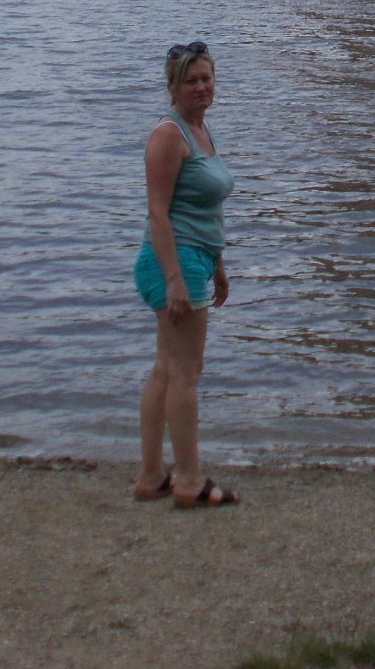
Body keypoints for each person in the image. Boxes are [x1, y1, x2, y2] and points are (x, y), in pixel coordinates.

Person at [133, 41, 238, 508]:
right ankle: (190, 480)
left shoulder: (199, 129)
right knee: (185, 373)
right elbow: (159, 214)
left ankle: (152, 475)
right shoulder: (168, 134)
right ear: (173, 86)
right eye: (190, 80)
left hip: (197, 259)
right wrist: (175, 279)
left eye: (206, 78)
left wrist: (219, 266)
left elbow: (205, 209)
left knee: (166, 368)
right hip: (172, 261)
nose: (201, 87)